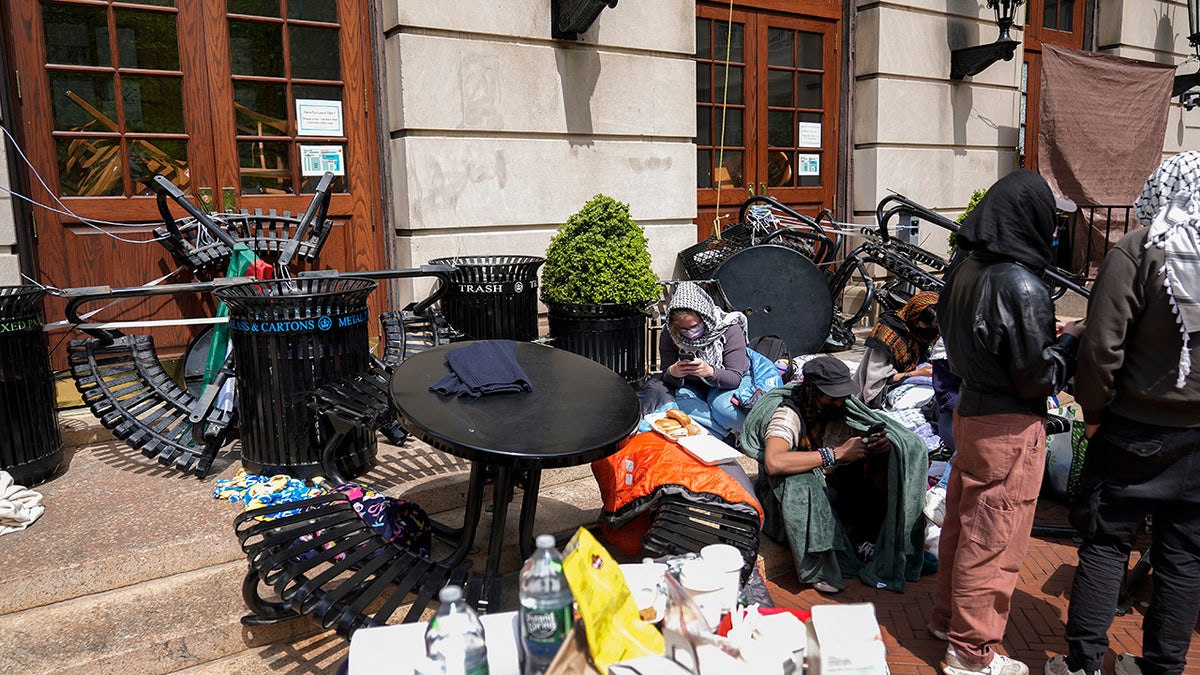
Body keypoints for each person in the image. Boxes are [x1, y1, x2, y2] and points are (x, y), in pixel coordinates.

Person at [1044, 152, 1200, 675]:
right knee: (1183, 556)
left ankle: (1083, 664)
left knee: (1108, 542)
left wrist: (1092, 412)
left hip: (1136, 426)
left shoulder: (1140, 250)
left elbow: (1102, 348)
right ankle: (1162, 667)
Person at [930, 169, 1084, 675]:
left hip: (971, 412)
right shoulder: (1023, 283)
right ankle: (972, 653)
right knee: (993, 538)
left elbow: (983, 339)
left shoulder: (965, 267)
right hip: (1009, 424)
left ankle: (946, 621)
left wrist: (1043, 337)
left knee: (963, 523)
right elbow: (1037, 378)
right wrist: (1069, 343)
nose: (1055, 230)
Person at [741, 356, 928, 594]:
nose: (839, 403)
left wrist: (883, 447)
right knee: (804, 483)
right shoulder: (788, 414)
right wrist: (836, 453)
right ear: (812, 392)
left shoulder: (845, 408)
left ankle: (874, 542)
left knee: (884, 466)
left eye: (842, 397)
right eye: (831, 397)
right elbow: (774, 462)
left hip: (834, 484)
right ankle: (819, 562)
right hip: (789, 498)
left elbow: (896, 442)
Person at [659, 281, 751, 438]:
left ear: (705, 317)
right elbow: (666, 377)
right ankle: (726, 436)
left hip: (727, 384)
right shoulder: (670, 334)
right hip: (692, 386)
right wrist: (673, 372)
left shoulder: (728, 328)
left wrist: (710, 372)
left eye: (694, 326)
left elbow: (734, 378)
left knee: (721, 406)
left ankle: (722, 433)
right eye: (683, 329)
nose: (690, 332)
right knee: (679, 403)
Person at [854, 291, 941, 408]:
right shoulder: (888, 334)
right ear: (915, 316)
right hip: (881, 391)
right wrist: (918, 373)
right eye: (926, 325)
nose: (930, 330)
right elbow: (877, 381)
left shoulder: (922, 335)